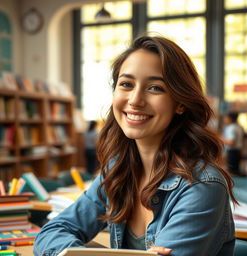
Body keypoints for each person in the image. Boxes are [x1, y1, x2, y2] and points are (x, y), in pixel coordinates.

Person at [34, 35, 236, 256]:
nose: (135, 100)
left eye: (155, 88)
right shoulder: (117, 170)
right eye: (126, 84)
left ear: (180, 103)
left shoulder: (202, 186)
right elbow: (52, 232)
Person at [221, 112, 244, 176]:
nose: (224, 119)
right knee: (235, 170)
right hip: (238, 151)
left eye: (226, 118)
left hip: (232, 151)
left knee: (232, 171)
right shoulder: (239, 127)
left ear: (230, 119)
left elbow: (232, 142)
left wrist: (220, 139)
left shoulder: (231, 128)